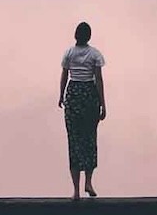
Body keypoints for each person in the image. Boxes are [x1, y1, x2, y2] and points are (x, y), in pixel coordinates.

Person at [58, 21, 106, 200]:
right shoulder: (95, 54)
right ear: (89, 36)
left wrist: (61, 95)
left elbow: (64, 75)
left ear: (75, 35)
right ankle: (89, 182)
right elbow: (99, 80)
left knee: (74, 141)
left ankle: (76, 190)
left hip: (73, 94)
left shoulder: (69, 53)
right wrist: (103, 104)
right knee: (89, 139)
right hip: (89, 95)